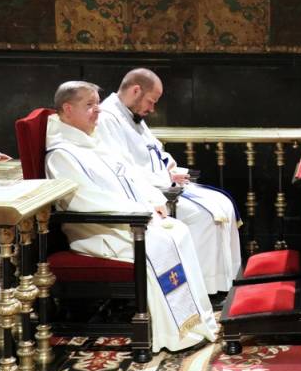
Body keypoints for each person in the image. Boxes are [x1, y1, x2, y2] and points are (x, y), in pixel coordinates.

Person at [45, 81, 218, 352]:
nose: (97, 110)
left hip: (129, 219)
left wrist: (152, 199)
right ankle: (175, 331)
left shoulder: (90, 141)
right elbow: (87, 201)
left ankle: (194, 320)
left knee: (178, 230)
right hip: (99, 231)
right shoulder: (61, 154)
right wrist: (141, 211)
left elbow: (128, 175)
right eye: (89, 105)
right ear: (67, 109)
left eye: (97, 104)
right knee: (162, 241)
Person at [95, 68, 241, 295]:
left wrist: (171, 171)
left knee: (223, 203)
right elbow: (121, 169)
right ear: (136, 90)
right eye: (151, 101)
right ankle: (201, 289)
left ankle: (226, 282)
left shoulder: (132, 115)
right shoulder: (107, 118)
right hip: (145, 194)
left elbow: (155, 150)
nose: (152, 109)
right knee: (204, 216)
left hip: (161, 184)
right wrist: (165, 178)